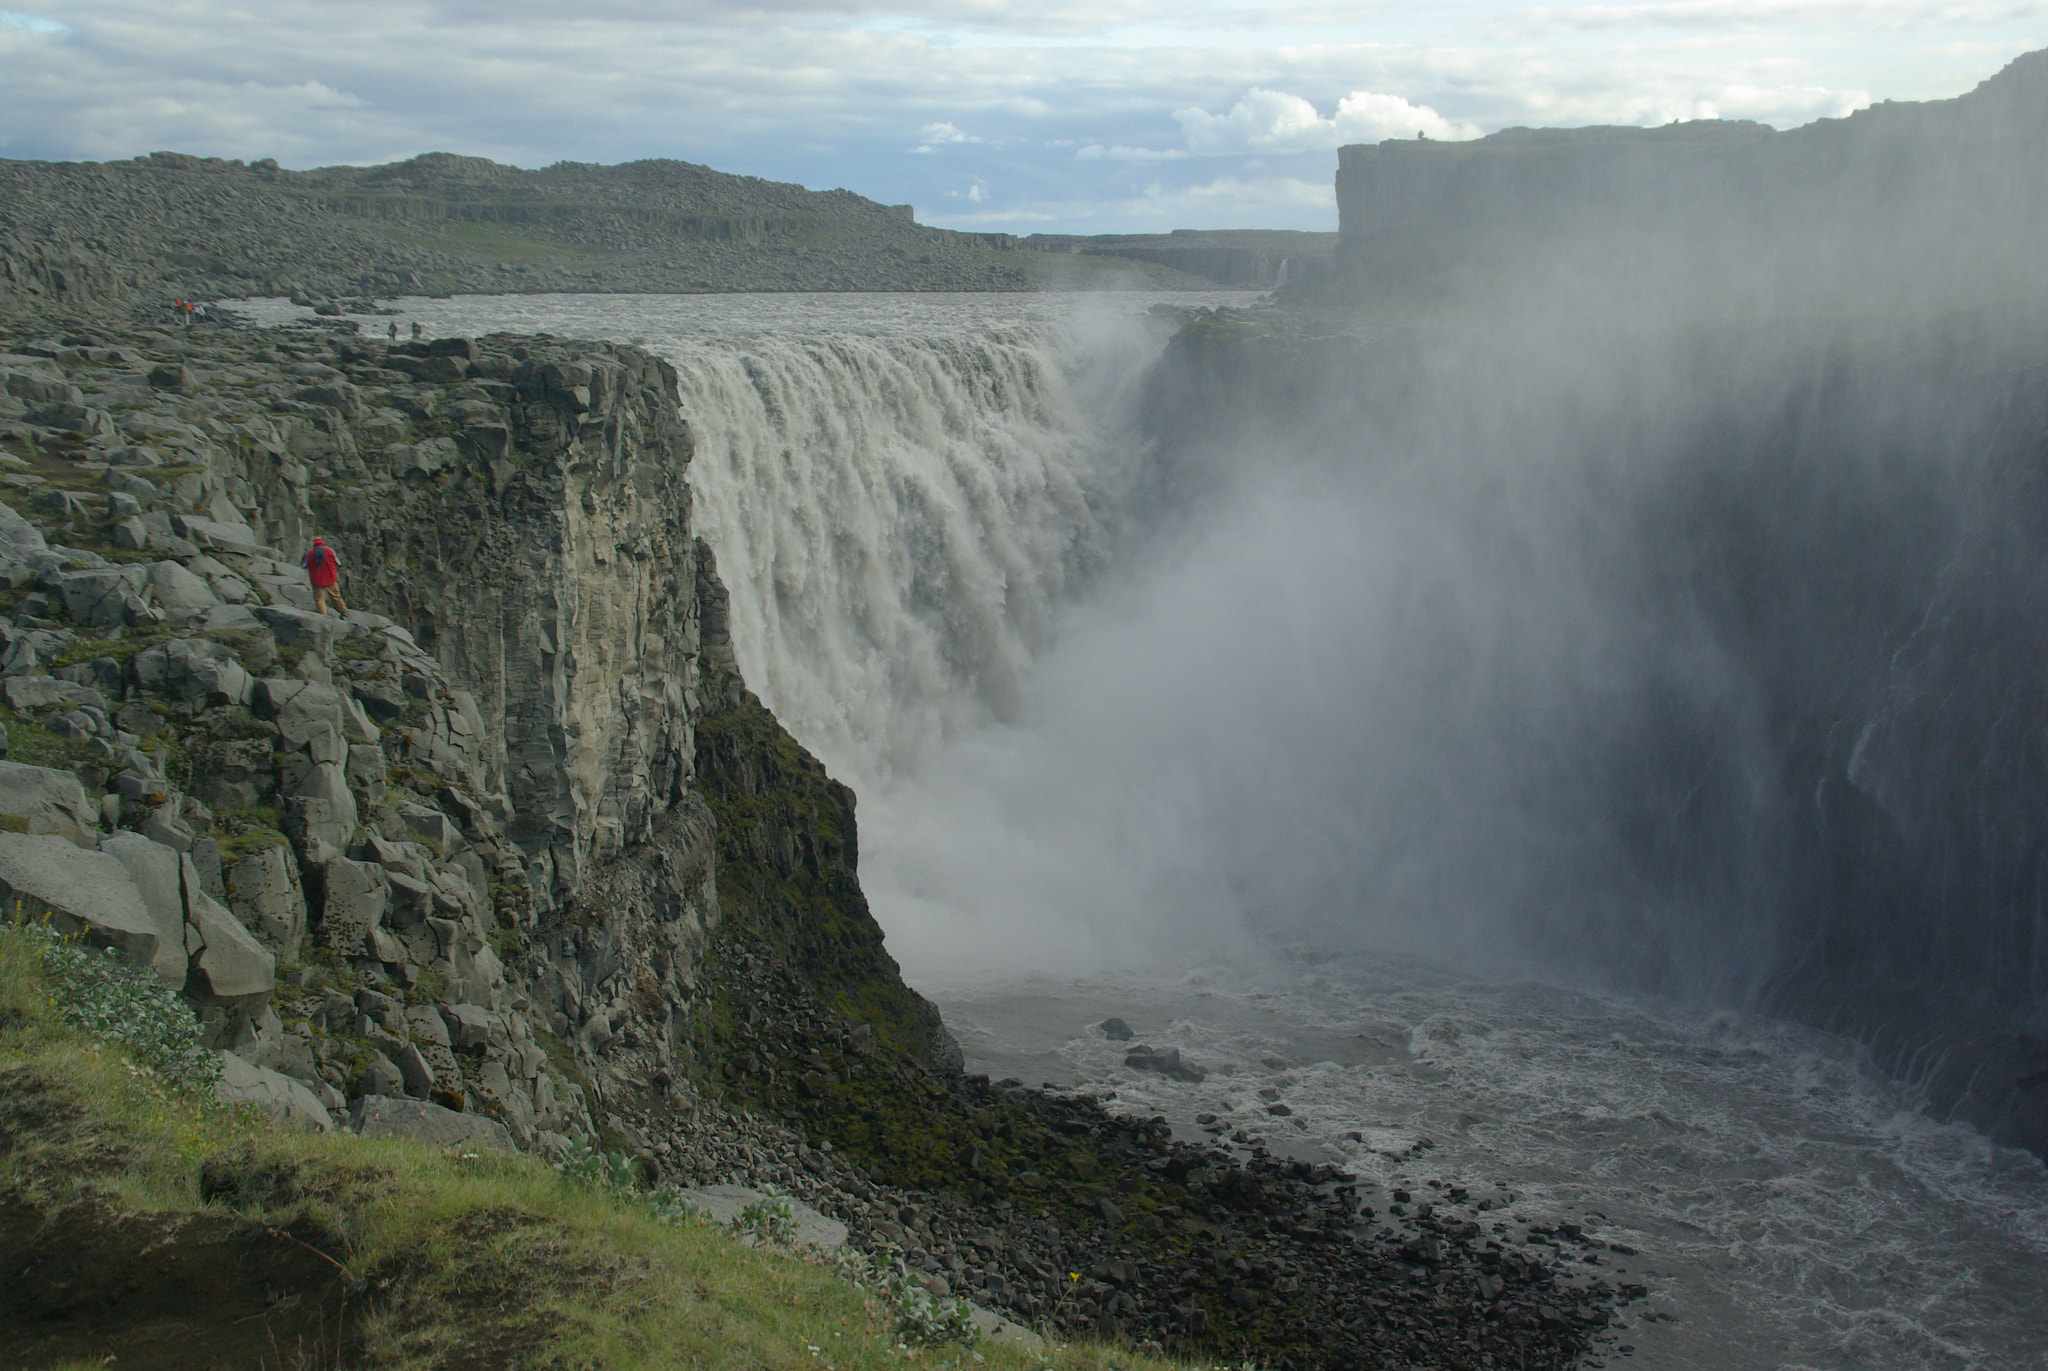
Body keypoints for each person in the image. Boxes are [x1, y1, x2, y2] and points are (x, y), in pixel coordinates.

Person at [303, 537, 346, 616]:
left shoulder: (309, 553)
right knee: (336, 597)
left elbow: (304, 565)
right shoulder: (330, 551)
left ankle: (323, 617)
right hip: (330, 579)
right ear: (322, 542)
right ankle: (344, 612)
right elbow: (338, 563)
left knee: (320, 599)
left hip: (316, 580)